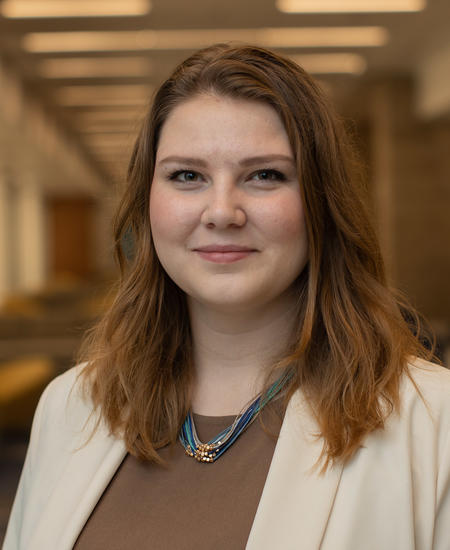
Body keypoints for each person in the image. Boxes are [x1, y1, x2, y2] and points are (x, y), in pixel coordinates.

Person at [3, 43, 450, 550]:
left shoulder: (434, 422)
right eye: (187, 176)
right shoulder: (72, 406)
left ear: (322, 204)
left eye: (265, 175)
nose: (221, 212)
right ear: (147, 204)